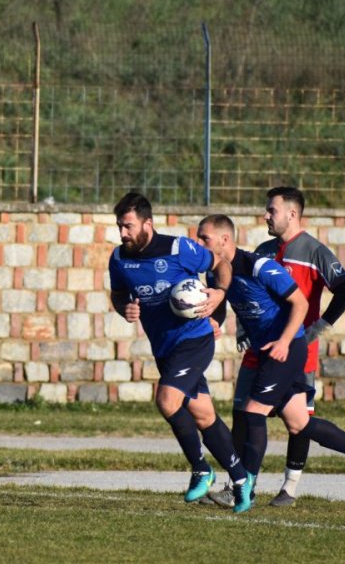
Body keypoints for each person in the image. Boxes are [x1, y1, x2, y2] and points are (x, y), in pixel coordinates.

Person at [196, 214, 345, 513]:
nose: (198, 243)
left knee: (253, 412)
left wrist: (284, 341)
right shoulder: (215, 275)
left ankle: (243, 488)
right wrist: (214, 322)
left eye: (203, 238)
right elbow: (221, 306)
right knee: (298, 422)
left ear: (225, 240)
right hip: (264, 351)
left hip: (287, 348)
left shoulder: (260, 266)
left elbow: (301, 303)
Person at [108, 192, 252, 510]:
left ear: (148, 223)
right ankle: (242, 479)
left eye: (128, 226)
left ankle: (202, 469)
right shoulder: (119, 259)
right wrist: (125, 309)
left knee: (166, 400)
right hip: (164, 348)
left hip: (195, 338)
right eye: (119, 226)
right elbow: (118, 294)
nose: (122, 233)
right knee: (203, 415)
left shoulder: (179, 249)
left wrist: (219, 293)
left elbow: (222, 264)